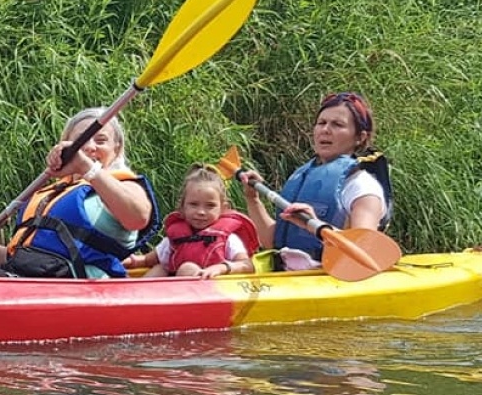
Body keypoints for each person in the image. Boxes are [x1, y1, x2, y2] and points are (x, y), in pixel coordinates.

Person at [0, 108, 160, 278]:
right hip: (30, 277)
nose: (90, 148)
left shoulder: (125, 184)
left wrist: (86, 168)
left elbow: (137, 218)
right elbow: (27, 256)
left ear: (117, 147)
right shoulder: (54, 190)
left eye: (101, 140)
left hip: (76, 284)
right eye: (81, 142)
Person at [239, 92, 392, 269]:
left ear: (360, 137)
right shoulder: (302, 176)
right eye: (321, 123)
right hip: (288, 279)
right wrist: (253, 199)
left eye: (337, 125)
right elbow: (271, 241)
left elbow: (363, 251)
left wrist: (315, 226)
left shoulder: (362, 187)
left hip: (329, 281)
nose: (325, 130)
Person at [123, 164, 259, 278]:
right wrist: (130, 261)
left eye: (210, 206)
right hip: (178, 292)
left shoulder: (229, 239)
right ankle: (137, 299)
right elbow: (147, 260)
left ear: (224, 208)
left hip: (212, 292)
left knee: (187, 268)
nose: (201, 212)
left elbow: (247, 265)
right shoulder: (174, 238)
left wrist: (222, 268)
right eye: (194, 204)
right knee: (160, 268)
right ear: (182, 208)